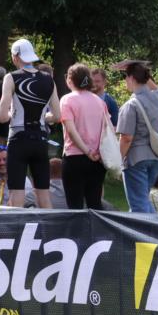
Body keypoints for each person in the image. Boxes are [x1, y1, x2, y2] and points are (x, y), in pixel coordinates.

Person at [0, 39, 61, 209]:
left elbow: (2, 116)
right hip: (40, 140)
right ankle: (49, 234)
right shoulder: (48, 79)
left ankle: (17, 234)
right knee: (44, 195)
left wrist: (14, 114)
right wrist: (42, 118)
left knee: (16, 194)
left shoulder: (11, 77)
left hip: (18, 140)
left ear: (16, 56)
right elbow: (57, 115)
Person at [115, 61, 158, 213]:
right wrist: (137, 67)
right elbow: (155, 88)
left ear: (132, 78)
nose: (125, 81)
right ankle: (157, 233)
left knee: (139, 207)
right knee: (143, 202)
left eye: (126, 77)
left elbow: (126, 138)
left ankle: (149, 236)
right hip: (157, 158)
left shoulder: (130, 105)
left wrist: (117, 161)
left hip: (136, 159)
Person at [59, 63, 108, 209]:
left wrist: (86, 151)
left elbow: (71, 131)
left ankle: (77, 232)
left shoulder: (67, 100)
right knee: (95, 204)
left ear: (69, 80)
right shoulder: (100, 101)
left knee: (75, 206)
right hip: (97, 159)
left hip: (74, 157)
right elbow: (106, 130)